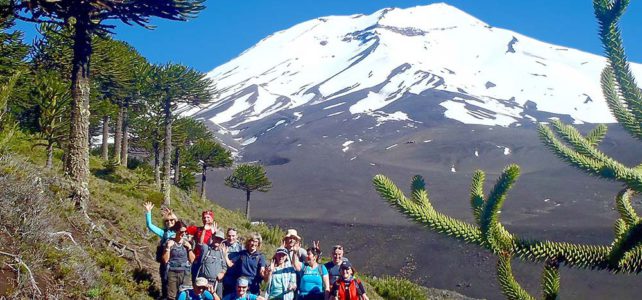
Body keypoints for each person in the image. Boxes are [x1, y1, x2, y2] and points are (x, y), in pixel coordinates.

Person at [144, 202, 177, 299]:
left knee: (173, 284)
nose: (169, 222)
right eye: (167, 221)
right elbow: (150, 225)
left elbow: (180, 225)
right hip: (165, 263)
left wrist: (172, 215)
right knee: (164, 281)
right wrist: (148, 212)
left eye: (172, 220)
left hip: (176, 264)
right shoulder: (164, 233)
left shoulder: (179, 232)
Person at [163, 221, 196, 300]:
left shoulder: (186, 243)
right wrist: (168, 248)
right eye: (181, 232)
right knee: (172, 296)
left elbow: (192, 260)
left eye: (185, 232)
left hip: (185, 272)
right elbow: (165, 260)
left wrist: (189, 248)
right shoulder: (170, 242)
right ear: (176, 231)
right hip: (172, 272)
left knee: (185, 294)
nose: (183, 234)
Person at [187, 210, 218, 282]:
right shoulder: (198, 229)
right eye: (204, 218)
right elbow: (182, 227)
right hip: (197, 259)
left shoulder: (215, 231)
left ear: (212, 219)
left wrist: (214, 234)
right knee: (195, 281)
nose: (206, 219)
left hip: (209, 261)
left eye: (208, 217)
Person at [196, 230, 228, 299]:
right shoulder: (206, 249)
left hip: (217, 283)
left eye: (220, 239)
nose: (218, 240)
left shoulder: (222, 253)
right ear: (213, 238)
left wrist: (222, 273)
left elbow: (225, 267)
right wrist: (204, 229)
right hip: (205, 283)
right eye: (216, 238)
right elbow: (200, 243)